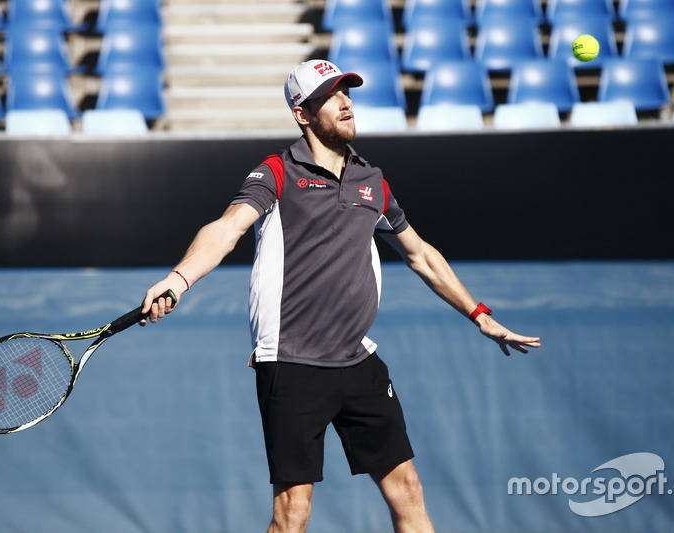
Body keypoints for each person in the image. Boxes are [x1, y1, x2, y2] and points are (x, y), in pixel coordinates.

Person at [140, 59, 541, 533]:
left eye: (347, 92)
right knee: (293, 513)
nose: (346, 102)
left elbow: (421, 255)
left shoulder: (372, 179)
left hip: (357, 364)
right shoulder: (277, 172)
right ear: (302, 114)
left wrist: (478, 313)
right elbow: (228, 229)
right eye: (331, 96)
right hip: (291, 365)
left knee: (408, 489)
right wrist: (179, 278)